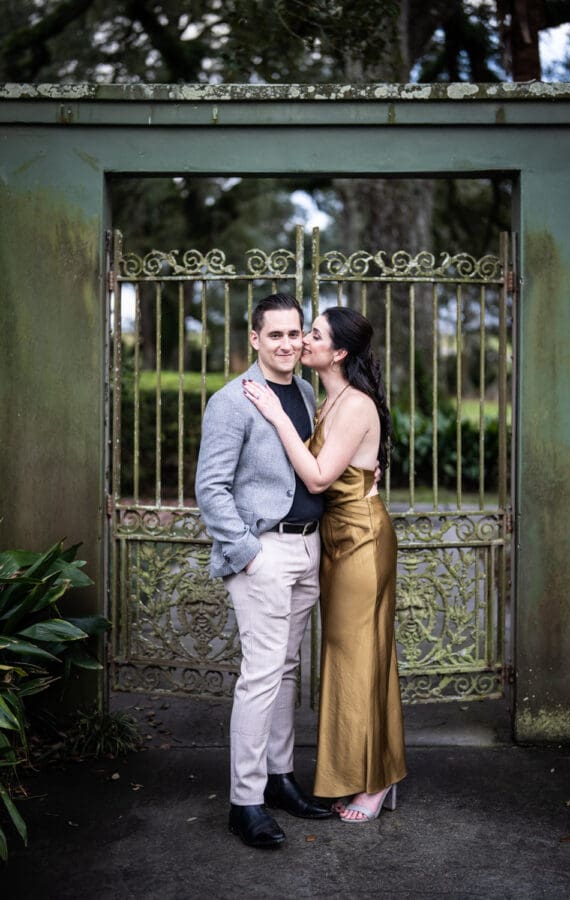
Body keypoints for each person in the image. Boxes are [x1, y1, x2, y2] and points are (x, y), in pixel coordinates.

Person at [243, 305, 407, 823]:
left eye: (313, 335)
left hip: (360, 537)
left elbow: (316, 477)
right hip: (334, 536)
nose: (302, 341)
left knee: (358, 654)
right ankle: (364, 770)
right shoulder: (323, 397)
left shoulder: (354, 403)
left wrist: (273, 413)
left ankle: (376, 781)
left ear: (338, 353)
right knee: (345, 654)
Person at [195, 293, 332, 850]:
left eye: (294, 334)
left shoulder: (303, 391)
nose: (286, 344)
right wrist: (248, 552)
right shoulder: (232, 401)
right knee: (260, 674)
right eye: (273, 334)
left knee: (287, 671)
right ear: (254, 339)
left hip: (307, 549)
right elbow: (211, 488)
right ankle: (244, 801)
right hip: (264, 552)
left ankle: (279, 779)